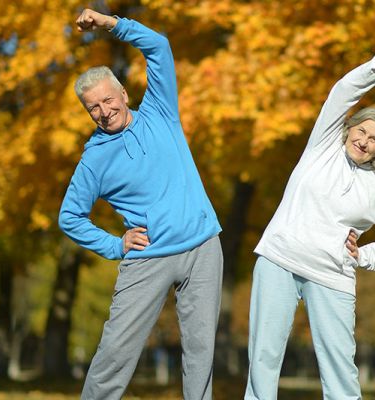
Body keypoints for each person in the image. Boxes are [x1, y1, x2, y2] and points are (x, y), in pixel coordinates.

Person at [245, 43, 375, 399]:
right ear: (348, 128)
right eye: (361, 132)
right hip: (279, 260)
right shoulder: (322, 146)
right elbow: (344, 90)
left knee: (339, 367)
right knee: (263, 356)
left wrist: (363, 256)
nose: (364, 142)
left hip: (333, 276)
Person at [58, 8, 223, 400]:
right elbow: (70, 216)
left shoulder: (160, 112)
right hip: (148, 259)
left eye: (107, 100)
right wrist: (116, 245)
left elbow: (159, 48)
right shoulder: (94, 158)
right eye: (92, 108)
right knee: (115, 352)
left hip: (203, 246)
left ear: (123, 94)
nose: (103, 111)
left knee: (201, 354)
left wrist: (110, 24)